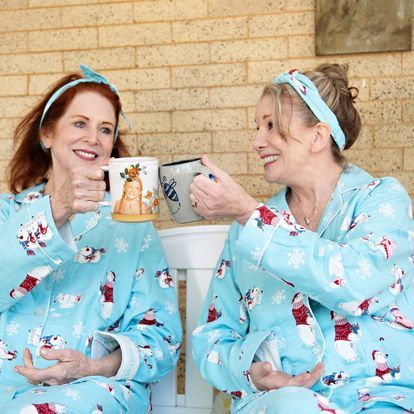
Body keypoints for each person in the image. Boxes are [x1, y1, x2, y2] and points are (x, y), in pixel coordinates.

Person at [190, 63, 414, 413]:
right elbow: (212, 339)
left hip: (378, 398)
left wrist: (250, 214)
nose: (257, 141)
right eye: (257, 127)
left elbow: (353, 281)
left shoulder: (382, 201)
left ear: (318, 136)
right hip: (280, 404)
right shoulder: (245, 229)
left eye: (271, 126)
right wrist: (251, 372)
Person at [0, 65, 182, 413]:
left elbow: (162, 337)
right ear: (48, 134)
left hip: (92, 390)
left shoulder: (132, 225)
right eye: (80, 123)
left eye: (105, 130)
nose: (93, 138)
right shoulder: (7, 214)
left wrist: (91, 367)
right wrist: (57, 210)